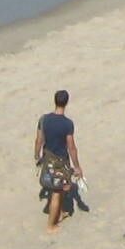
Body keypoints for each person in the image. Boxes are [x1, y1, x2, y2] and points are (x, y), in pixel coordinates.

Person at [34, 89, 82, 233]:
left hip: (48, 158)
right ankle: (51, 226)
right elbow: (71, 147)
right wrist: (77, 167)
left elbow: (39, 140)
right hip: (61, 162)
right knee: (57, 192)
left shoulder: (44, 119)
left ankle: (60, 213)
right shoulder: (67, 124)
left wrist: (37, 156)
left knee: (59, 190)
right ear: (66, 103)